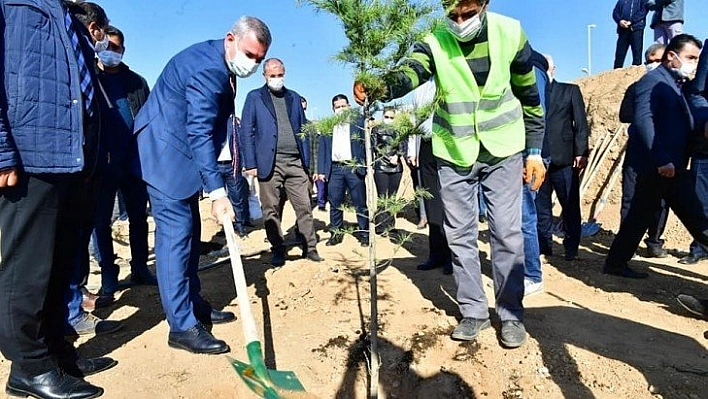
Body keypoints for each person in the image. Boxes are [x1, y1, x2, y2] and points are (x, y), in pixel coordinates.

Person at [354, 0, 546, 349]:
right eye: (453, 15)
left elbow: (529, 95)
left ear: (484, 5)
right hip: (453, 149)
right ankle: (473, 311)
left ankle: (510, 313)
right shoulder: (435, 38)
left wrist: (534, 151)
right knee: (459, 235)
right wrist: (380, 87)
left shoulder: (510, 33)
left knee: (506, 233)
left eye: (468, 14)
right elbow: (412, 72)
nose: (460, 22)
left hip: (502, 148)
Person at [134, 16, 271, 354]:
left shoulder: (220, 63)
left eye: (259, 59)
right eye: (250, 55)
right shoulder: (208, 70)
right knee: (175, 237)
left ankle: (193, 303)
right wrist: (218, 191)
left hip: (182, 156)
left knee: (190, 233)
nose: (253, 64)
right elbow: (199, 130)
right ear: (231, 39)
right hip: (164, 155)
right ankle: (181, 326)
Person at [0, 1, 116, 397]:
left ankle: (58, 355)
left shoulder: (65, 13)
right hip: (30, 156)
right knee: (28, 271)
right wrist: (1, 150)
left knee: (59, 267)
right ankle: (28, 367)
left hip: (72, 159)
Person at [604, 34, 708, 279]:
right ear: (672, 56)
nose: (694, 63)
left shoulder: (676, 85)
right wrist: (661, 158)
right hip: (659, 164)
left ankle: (615, 262)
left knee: (639, 215)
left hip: (669, 164)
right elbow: (642, 120)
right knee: (696, 215)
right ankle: (615, 263)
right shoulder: (652, 81)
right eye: (690, 57)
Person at [93, 25, 157, 298]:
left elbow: (152, 119)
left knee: (138, 218)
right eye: (107, 47)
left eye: (116, 48)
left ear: (124, 50)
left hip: (134, 162)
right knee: (100, 222)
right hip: (101, 164)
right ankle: (109, 274)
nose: (111, 52)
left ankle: (140, 267)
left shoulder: (137, 82)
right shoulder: (90, 79)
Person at [240, 58, 322, 266]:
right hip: (270, 164)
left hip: (295, 163)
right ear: (265, 76)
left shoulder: (293, 97)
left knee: (304, 206)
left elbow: (304, 130)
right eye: (272, 76)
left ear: (284, 74)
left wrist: (309, 164)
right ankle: (277, 249)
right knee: (271, 210)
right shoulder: (254, 98)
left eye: (279, 75)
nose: (276, 79)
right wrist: (250, 163)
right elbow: (246, 131)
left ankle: (309, 248)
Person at [536, 55, 589, 262]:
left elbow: (581, 124)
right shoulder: (532, 91)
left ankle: (571, 247)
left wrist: (581, 152)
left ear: (553, 69)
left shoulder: (569, 90)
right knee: (541, 206)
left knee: (569, 204)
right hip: (538, 158)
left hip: (565, 158)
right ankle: (544, 245)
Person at [619, 43, 670, 259]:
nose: (653, 64)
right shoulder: (636, 87)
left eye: (657, 60)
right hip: (638, 151)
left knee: (661, 200)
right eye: (650, 61)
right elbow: (625, 114)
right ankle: (625, 244)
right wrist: (646, 116)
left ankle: (654, 241)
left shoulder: (674, 89)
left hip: (663, 152)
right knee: (630, 198)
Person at [410, 80, 453, 275]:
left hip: (449, 143)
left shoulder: (447, 77)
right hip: (426, 144)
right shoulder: (419, 88)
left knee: (452, 201)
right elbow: (414, 120)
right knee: (431, 200)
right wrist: (413, 149)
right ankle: (436, 254)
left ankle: (453, 255)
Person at [318, 94, 369, 247]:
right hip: (335, 169)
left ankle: (364, 233)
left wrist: (367, 165)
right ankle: (336, 233)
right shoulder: (328, 125)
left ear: (349, 106)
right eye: (337, 107)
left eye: (343, 106)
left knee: (360, 202)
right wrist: (322, 170)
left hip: (354, 166)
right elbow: (323, 149)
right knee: (335, 202)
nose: (340, 109)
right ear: (333, 109)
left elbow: (366, 144)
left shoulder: (359, 122)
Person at [681, 38, 708, 265]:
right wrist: (706, 119)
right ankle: (700, 247)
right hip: (706, 148)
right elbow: (697, 93)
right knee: (701, 201)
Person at [372, 107, 405, 236]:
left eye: (392, 117)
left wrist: (397, 156)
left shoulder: (399, 130)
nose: (389, 120)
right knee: (382, 197)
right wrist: (387, 158)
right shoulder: (377, 129)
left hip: (396, 167)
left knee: (392, 197)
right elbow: (374, 147)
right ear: (383, 116)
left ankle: (390, 225)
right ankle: (380, 225)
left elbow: (402, 146)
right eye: (387, 117)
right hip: (381, 165)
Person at [612, 0, 650, 68]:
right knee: (619, 55)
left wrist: (632, 21)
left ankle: (636, 72)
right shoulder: (621, 1)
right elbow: (615, 12)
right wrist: (620, 21)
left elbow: (643, 11)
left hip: (636, 28)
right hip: (622, 30)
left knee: (637, 54)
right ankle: (616, 71)